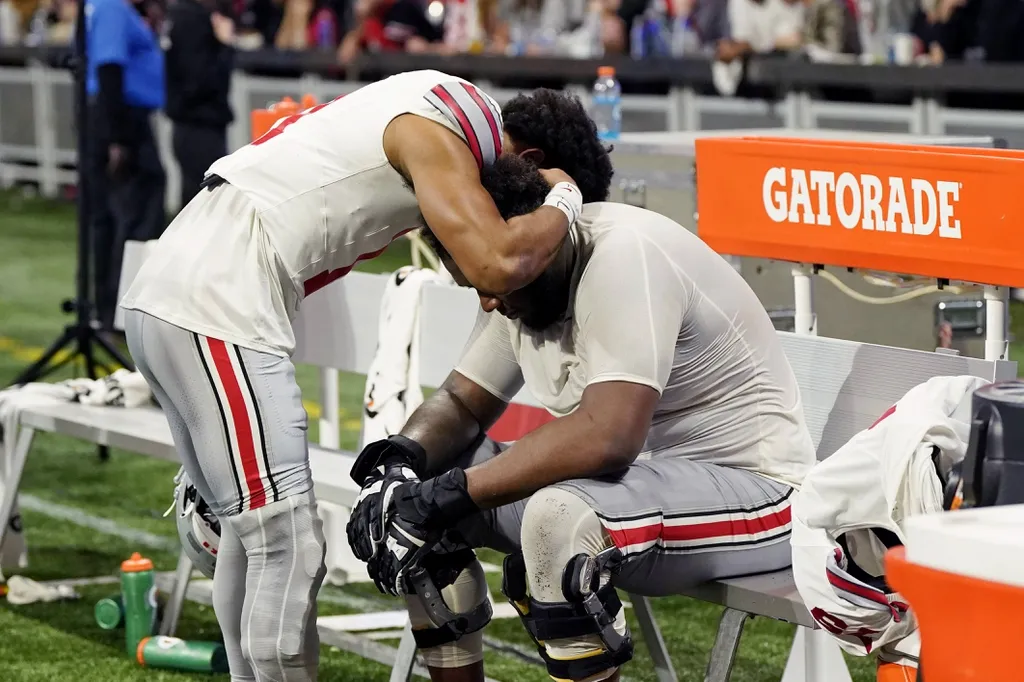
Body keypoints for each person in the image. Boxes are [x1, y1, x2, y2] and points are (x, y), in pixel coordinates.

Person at [118, 73, 611, 682]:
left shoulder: (432, 101)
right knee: (287, 546)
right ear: (532, 163)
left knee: (250, 542)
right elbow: (498, 261)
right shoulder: (454, 124)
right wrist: (563, 200)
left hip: (176, 288)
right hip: (218, 300)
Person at [347, 155, 817, 682]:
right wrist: (397, 467)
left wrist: (449, 495)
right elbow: (460, 401)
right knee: (414, 490)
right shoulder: (517, 275)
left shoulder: (621, 255)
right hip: (635, 492)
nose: (489, 298)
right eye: (475, 280)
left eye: (495, 279)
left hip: (758, 493)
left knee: (557, 522)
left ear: (534, 247)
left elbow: (608, 436)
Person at [85, 0, 166, 330]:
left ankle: (111, 311)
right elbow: (109, 69)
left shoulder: (111, 8)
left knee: (115, 216)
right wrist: (116, 136)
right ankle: (120, 312)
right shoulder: (112, 8)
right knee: (135, 216)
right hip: (122, 119)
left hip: (117, 116)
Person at [165, 0, 235, 209]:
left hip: (189, 124)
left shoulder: (180, 15)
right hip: (200, 124)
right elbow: (201, 81)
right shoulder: (192, 19)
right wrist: (225, 46)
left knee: (195, 199)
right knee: (206, 204)